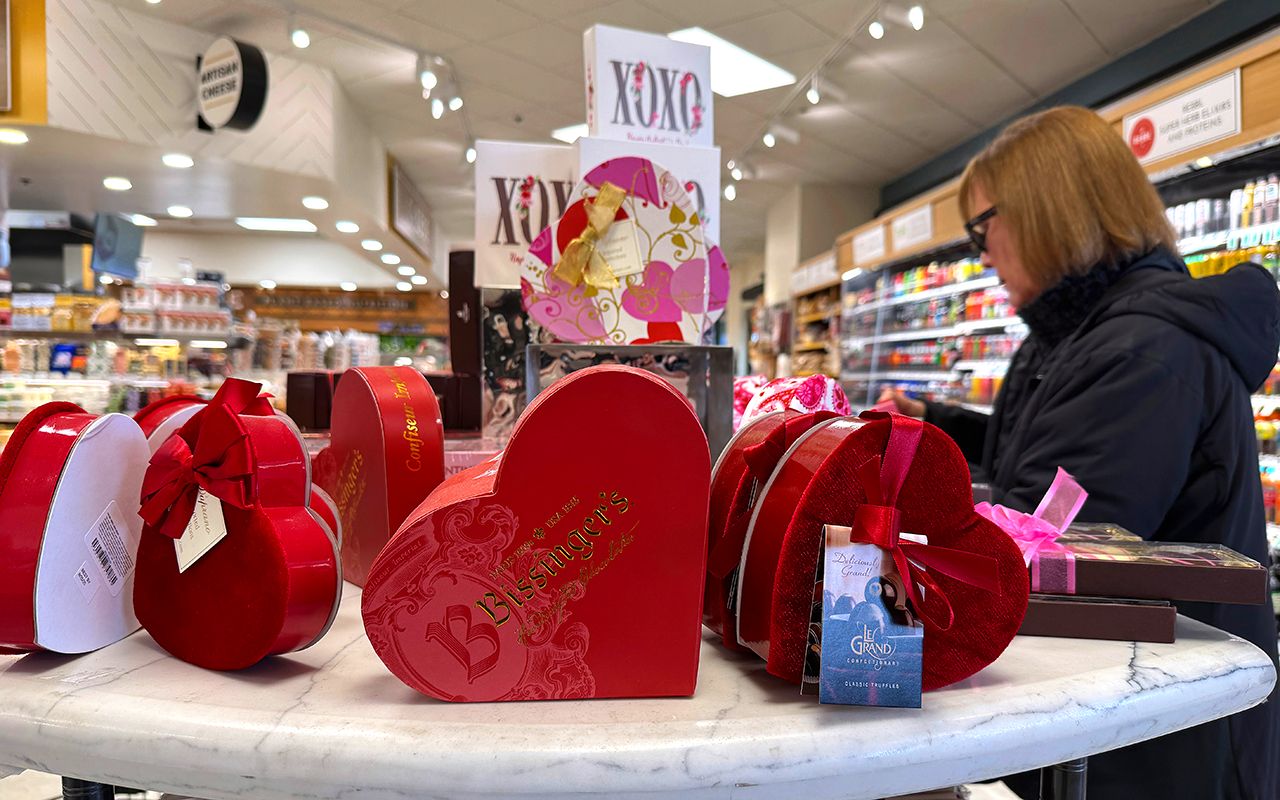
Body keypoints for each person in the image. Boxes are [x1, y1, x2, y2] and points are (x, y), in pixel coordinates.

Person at [879, 106, 1280, 800]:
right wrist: (939, 425)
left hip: (1162, 749)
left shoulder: (1141, 352)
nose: (981, 255)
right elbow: (1048, 456)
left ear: (1045, 211)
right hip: (1128, 719)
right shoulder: (1079, 335)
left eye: (981, 229)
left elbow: (1047, 544)